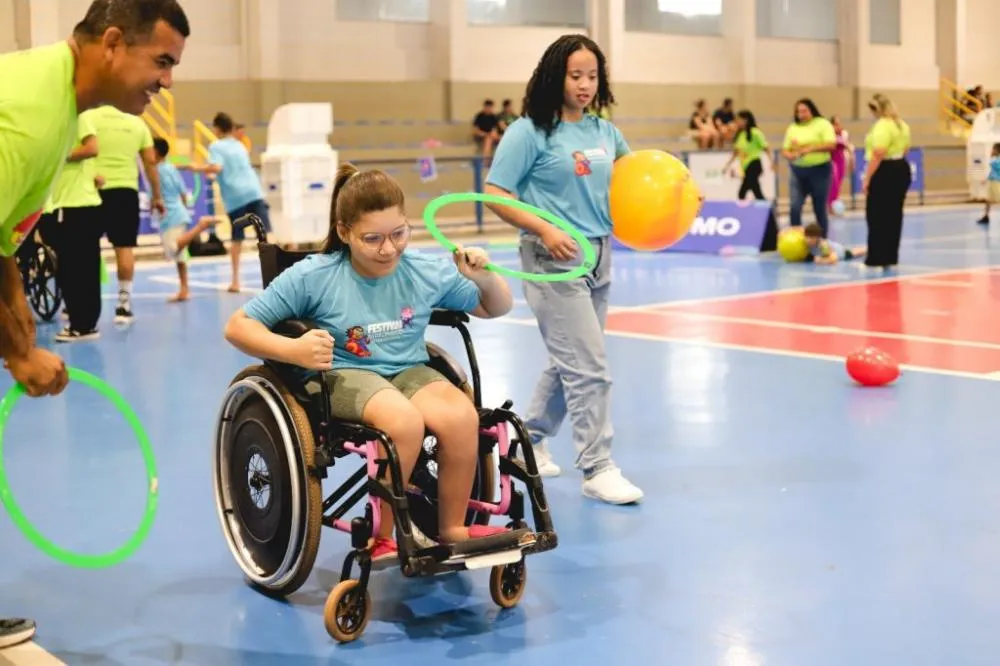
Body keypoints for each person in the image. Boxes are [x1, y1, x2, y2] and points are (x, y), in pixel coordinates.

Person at [0, 0, 189, 650]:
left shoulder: (59, 108)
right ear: (112, 43)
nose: (167, 81)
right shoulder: (28, 116)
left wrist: (19, 317)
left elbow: (3, 242)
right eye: (161, 60)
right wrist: (21, 357)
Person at [223, 162, 514, 566]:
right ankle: (380, 538)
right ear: (344, 232)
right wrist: (294, 351)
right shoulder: (315, 276)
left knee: (462, 417)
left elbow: (494, 307)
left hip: (409, 370)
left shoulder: (423, 270)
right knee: (403, 422)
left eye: (399, 234)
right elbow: (238, 327)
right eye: (372, 238)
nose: (389, 249)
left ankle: (451, 529)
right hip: (345, 373)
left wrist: (482, 277)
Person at [482, 34, 644, 505]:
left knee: (569, 359)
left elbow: (636, 185)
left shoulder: (604, 132)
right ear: (555, 76)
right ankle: (597, 467)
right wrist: (546, 230)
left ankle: (526, 440)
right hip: (552, 257)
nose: (585, 84)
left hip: (600, 254)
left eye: (593, 76)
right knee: (590, 367)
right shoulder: (529, 131)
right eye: (576, 75)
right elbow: (497, 194)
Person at [88, 103, 163, 326]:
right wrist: (156, 196)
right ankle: (124, 304)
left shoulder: (90, 116)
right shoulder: (137, 123)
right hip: (125, 191)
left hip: (92, 188)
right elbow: (150, 162)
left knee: (87, 248)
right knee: (124, 248)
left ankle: (80, 303)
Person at [185, 111, 270, 293]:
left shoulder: (216, 146)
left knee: (237, 239)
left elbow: (217, 167)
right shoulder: (239, 145)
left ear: (216, 129)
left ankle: (235, 281)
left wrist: (196, 168)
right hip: (254, 191)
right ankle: (275, 276)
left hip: (236, 196)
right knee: (264, 237)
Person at [46, 108, 105, 342]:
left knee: (75, 269)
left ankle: (82, 325)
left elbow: (92, 148)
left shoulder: (79, 115)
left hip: (75, 206)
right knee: (80, 268)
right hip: (74, 205)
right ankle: (84, 323)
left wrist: (59, 157)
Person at [150, 137, 218, 302]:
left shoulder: (156, 170)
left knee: (173, 249)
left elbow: (156, 191)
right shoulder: (170, 168)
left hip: (170, 213)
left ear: (156, 152)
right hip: (179, 211)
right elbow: (182, 192)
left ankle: (201, 226)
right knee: (180, 256)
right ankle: (184, 289)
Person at [860, 94, 912, 269]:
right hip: (900, 168)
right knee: (894, 215)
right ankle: (891, 255)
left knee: (876, 215)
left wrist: (867, 178)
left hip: (884, 171)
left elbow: (878, 153)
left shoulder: (882, 125)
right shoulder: (902, 125)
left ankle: (876, 257)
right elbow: (906, 150)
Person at [782, 98, 836, 236]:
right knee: (794, 206)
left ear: (811, 110)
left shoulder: (822, 124)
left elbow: (831, 145)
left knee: (819, 207)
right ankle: (796, 238)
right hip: (798, 171)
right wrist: (790, 155)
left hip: (819, 170)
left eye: (804, 111)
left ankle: (823, 239)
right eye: (799, 112)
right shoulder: (793, 127)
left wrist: (810, 149)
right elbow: (785, 149)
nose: (802, 114)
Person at [723, 109, 770, 201]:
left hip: (754, 164)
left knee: (747, 192)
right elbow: (736, 152)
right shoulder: (740, 135)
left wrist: (771, 162)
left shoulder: (755, 132)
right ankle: (767, 213)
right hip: (746, 167)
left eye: (738, 119)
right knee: (750, 192)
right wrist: (727, 165)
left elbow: (766, 147)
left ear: (746, 120)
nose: (736, 122)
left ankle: (768, 214)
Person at [976, 142, 1000, 226]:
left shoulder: (997, 160)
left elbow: (993, 164)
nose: (992, 150)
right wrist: (986, 180)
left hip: (997, 182)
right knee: (988, 200)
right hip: (993, 181)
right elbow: (992, 171)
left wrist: (991, 156)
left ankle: (986, 216)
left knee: (997, 199)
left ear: (997, 150)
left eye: (993, 149)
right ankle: (986, 216)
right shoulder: (995, 160)